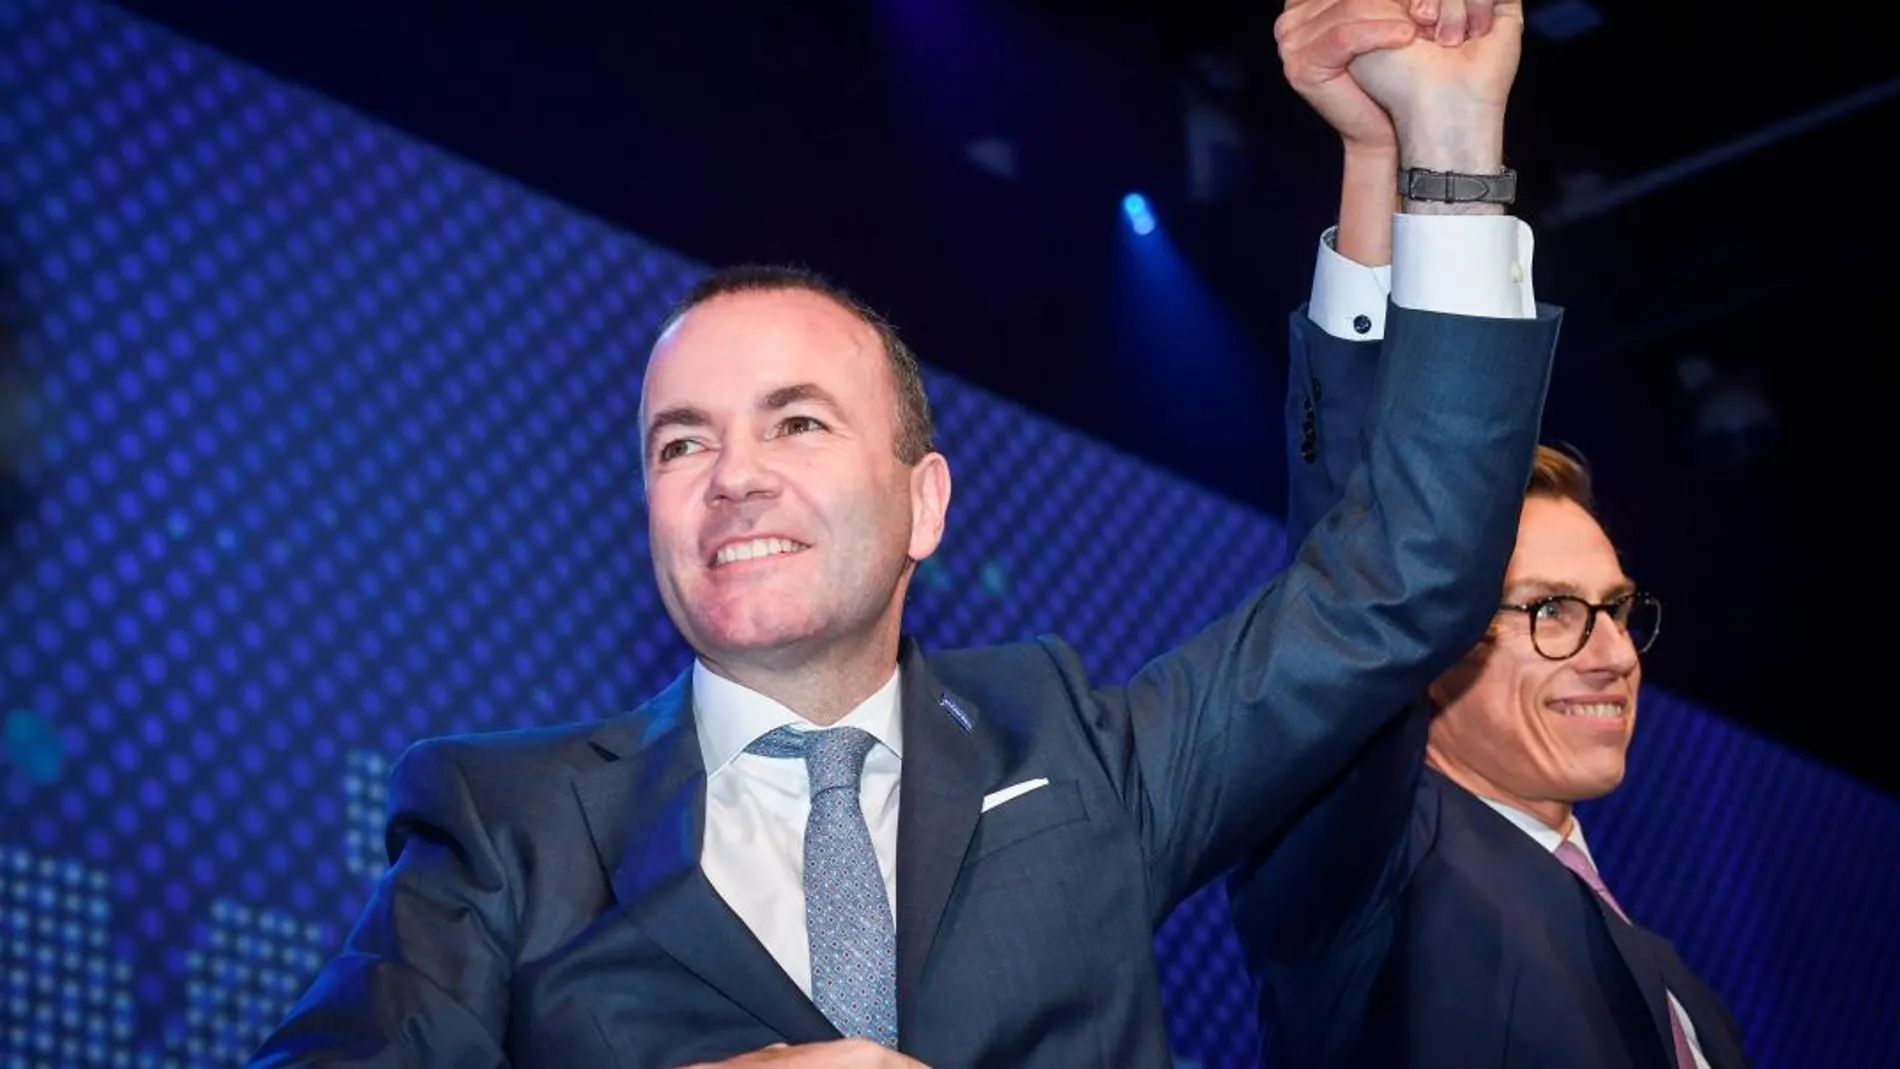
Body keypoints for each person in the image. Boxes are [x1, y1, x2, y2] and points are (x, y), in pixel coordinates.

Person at [247, 4, 1562, 1064]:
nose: (735, 478)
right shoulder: (507, 820)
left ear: (926, 502)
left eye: (798, 424)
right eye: (682, 442)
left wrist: (1437, 142)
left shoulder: (1080, 758)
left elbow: (1402, 576)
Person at [1227, 2, 1752, 1066]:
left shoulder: (1679, 987)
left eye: (1612, 610)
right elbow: (1362, 549)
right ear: (1426, 638)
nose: (1608, 652)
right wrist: (1395, 149)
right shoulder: (1367, 869)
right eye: (1550, 610)